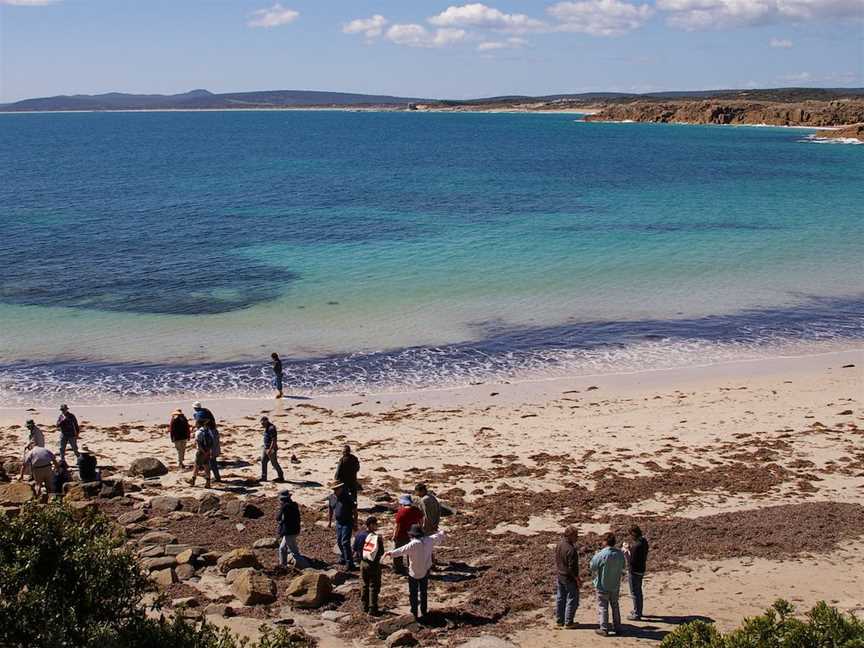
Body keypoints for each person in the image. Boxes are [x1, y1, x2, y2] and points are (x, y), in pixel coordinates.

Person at [385, 524, 446, 622]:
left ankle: (414, 612)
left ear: (412, 535)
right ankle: (424, 611)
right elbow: (439, 536)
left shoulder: (413, 544)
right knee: (423, 592)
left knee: (413, 593)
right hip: (425, 571)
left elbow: (401, 550)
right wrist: (441, 531)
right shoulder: (429, 540)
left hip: (413, 572)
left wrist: (390, 553)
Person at [590, 532, 626, 636]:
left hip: (603, 585)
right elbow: (623, 566)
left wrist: (596, 555)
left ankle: (604, 628)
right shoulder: (619, 553)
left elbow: (592, 566)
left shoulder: (602, 554)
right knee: (615, 606)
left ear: (605, 542)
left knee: (603, 606)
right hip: (615, 584)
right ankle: (617, 627)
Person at [353, 516, 385, 615]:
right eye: (375, 524)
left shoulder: (359, 535)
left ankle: (364, 605)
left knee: (364, 584)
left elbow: (354, 548)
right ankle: (372, 608)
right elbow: (381, 552)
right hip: (373, 564)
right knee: (373, 586)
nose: (377, 526)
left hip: (363, 563)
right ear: (371, 525)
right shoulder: (376, 538)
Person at [555, 526, 581, 628]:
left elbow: (557, 559)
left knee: (560, 598)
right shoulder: (571, 550)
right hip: (569, 578)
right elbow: (572, 568)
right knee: (572, 599)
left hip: (560, 575)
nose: (577, 538)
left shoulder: (559, 544)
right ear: (570, 536)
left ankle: (559, 621)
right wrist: (577, 579)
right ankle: (569, 622)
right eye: (576, 535)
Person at [327, 482, 357, 570]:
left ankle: (350, 563)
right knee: (339, 541)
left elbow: (355, 511)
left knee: (345, 542)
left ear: (341, 488)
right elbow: (330, 509)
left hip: (347, 522)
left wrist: (355, 523)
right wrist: (329, 521)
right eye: (334, 489)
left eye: (337, 489)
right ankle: (344, 557)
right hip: (338, 522)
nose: (336, 491)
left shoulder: (348, 497)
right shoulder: (332, 498)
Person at [392, 494, 423, 575]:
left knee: (398, 552)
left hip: (401, 535)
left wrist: (394, 536)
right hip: (413, 534)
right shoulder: (416, 510)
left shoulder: (401, 512)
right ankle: (411, 568)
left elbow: (397, 526)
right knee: (411, 553)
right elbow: (421, 521)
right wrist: (420, 530)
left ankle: (398, 568)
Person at [624, 525, 649, 621]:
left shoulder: (637, 546)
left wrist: (626, 552)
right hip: (641, 569)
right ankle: (638, 610)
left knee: (635, 592)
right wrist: (630, 548)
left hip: (634, 571)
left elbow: (631, 560)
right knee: (638, 591)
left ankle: (637, 613)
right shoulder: (644, 542)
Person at [277, 490, 302, 567]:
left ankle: (301, 565)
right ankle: (283, 565)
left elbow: (278, 518)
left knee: (293, 551)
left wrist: (281, 508)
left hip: (289, 532)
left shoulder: (285, 507)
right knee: (282, 548)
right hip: (295, 530)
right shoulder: (294, 505)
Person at [260, 416, 285, 482]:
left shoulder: (271, 428)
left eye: (263, 423)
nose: (262, 425)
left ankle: (281, 477)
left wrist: (270, 449)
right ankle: (264, 477)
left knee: (274, 463)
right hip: (266, 448)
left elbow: (274, 440)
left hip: (271, 449)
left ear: (267, 421)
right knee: (263, 461)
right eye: (261, 424)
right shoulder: (266, 427)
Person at [189, 422, 213, 488]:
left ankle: (193, 481)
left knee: (196, 466)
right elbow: (212, 442)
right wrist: (208, 451)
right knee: (207, 466)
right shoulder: (209, 431)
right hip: (208, 451)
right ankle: (208, 483)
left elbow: (199, 444)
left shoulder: (198, 432)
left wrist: (203, 452)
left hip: (200, 452)